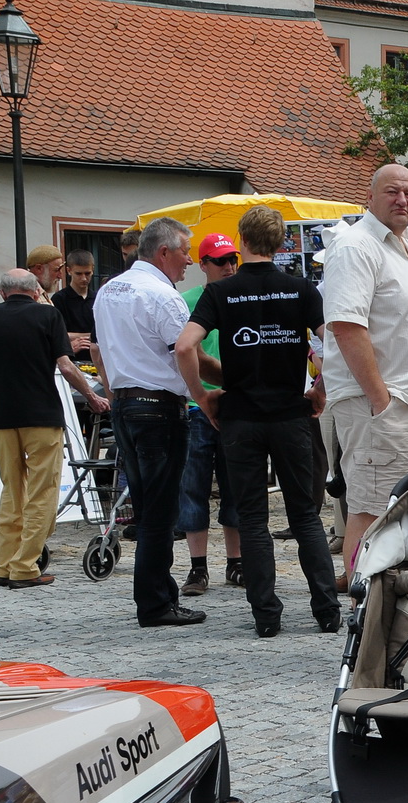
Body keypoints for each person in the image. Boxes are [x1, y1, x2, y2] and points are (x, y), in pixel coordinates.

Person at [178, 206, 338, 638]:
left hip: (241, 417)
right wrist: (320, 388)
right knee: (305, 516)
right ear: (281, 243)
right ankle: (327, 610)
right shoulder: (300, 289)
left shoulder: (221, 292)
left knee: (252, 518)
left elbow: (185, 347)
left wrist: (201, 397)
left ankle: (266, 616)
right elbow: (336, 343)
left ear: (242, 241)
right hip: (290, 414)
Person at [322, 163, 408, 589]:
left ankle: (384, 599)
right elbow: (346, 327)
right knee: (371, 509)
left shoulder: (405, 246)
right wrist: (381, 401)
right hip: (382, 403)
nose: (402, 200)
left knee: (402, 508)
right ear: (370, 197)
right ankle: (363, 605)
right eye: (393, 191)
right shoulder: (357, 245)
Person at [94, 216, 214, 627]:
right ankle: (156, 603)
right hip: (159, 409)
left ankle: (156, 596)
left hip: (126, 406)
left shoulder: (109, 289)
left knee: (147, 508)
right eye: (185, 252)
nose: (189, 261)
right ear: (164, 252)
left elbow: (100, 350)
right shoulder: (163, 296)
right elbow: (187, 352)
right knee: (161, 511)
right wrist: (214, 388)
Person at [0, 268, 108, 588]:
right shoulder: (48, 316)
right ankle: (24, 567)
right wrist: (92, 396)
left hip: (0, 416)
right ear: (37, 292)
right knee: (42, 493)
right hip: (41, 415)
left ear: (2, 293)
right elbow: (66, 366)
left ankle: (3, 566)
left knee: (12, 492)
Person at [176, 233, 243, 597]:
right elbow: (187, 352)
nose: (228, 266)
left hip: (235, 403)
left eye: (233, 259)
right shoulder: (186, 301)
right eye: (220, 261)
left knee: (236, 485)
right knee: (193, 486)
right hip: (197, 404)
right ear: (203, 265)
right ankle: (198, 566)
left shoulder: (243, 298)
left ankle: (235, 562)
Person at [51, 250, 98, 353]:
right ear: (69, 271)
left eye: (87, 273)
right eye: (78, 274)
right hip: (72, 356)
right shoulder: (59, 299)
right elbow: (58, 334)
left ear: (93, 270)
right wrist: (92, 336)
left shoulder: (97, 298)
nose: (84, 278)